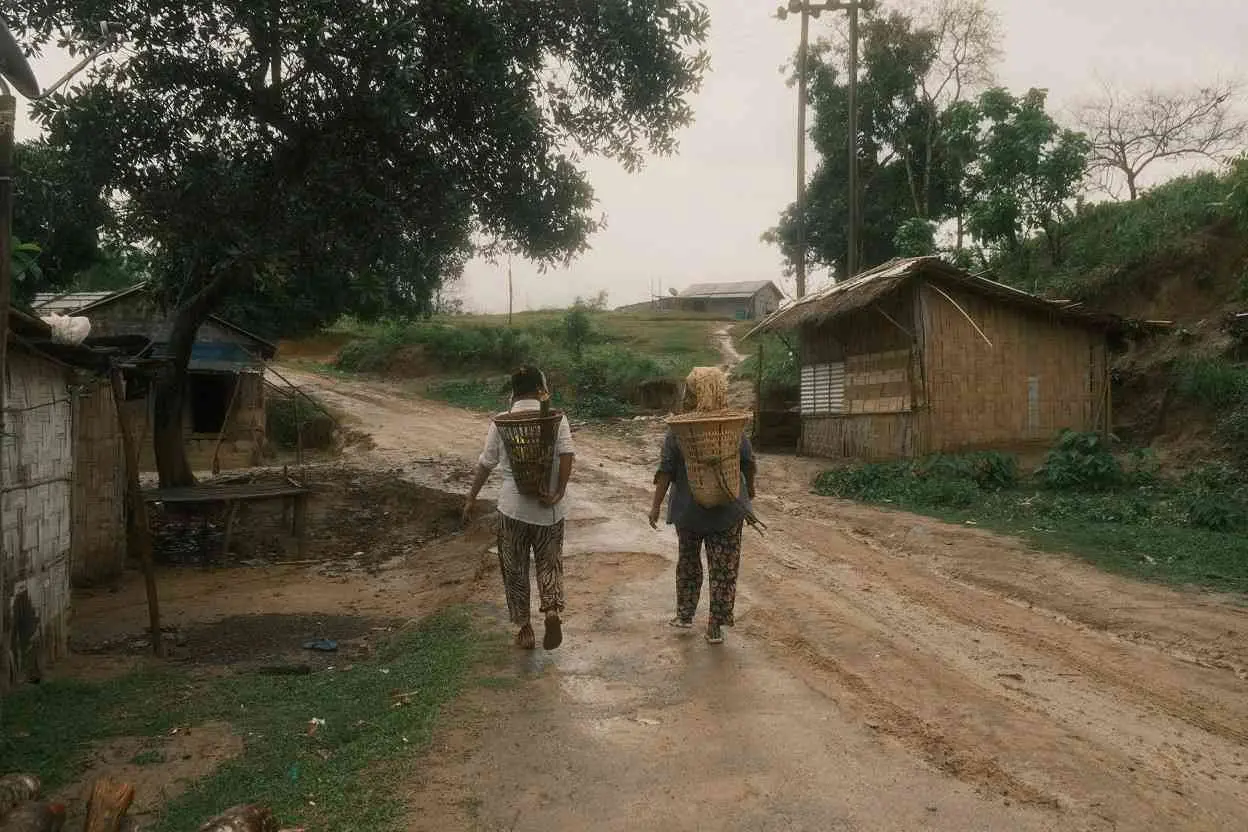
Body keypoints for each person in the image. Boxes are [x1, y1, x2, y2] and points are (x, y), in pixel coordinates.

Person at [464, 366, 575, 650]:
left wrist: (471, 497)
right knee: (549, 563)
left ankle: (525, 629)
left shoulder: (502, 421)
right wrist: (559, 491)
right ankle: (551, 610)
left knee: (514, 569)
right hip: (548, 509)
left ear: (513, 392)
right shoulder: (555, 418)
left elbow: (486, 463)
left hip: (511, 508)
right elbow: (566, 455)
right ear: (541, 389)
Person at [648, 371, 756, 645]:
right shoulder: (733, 425)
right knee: (724, 568)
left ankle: (685, 615)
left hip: (688, 510)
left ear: (692, 393)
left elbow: (666, 471)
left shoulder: (679, 429)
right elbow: (748, 463)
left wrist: (655, 506)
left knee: (688, 562)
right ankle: (715, 627)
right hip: (729, 509)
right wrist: (749, 495)